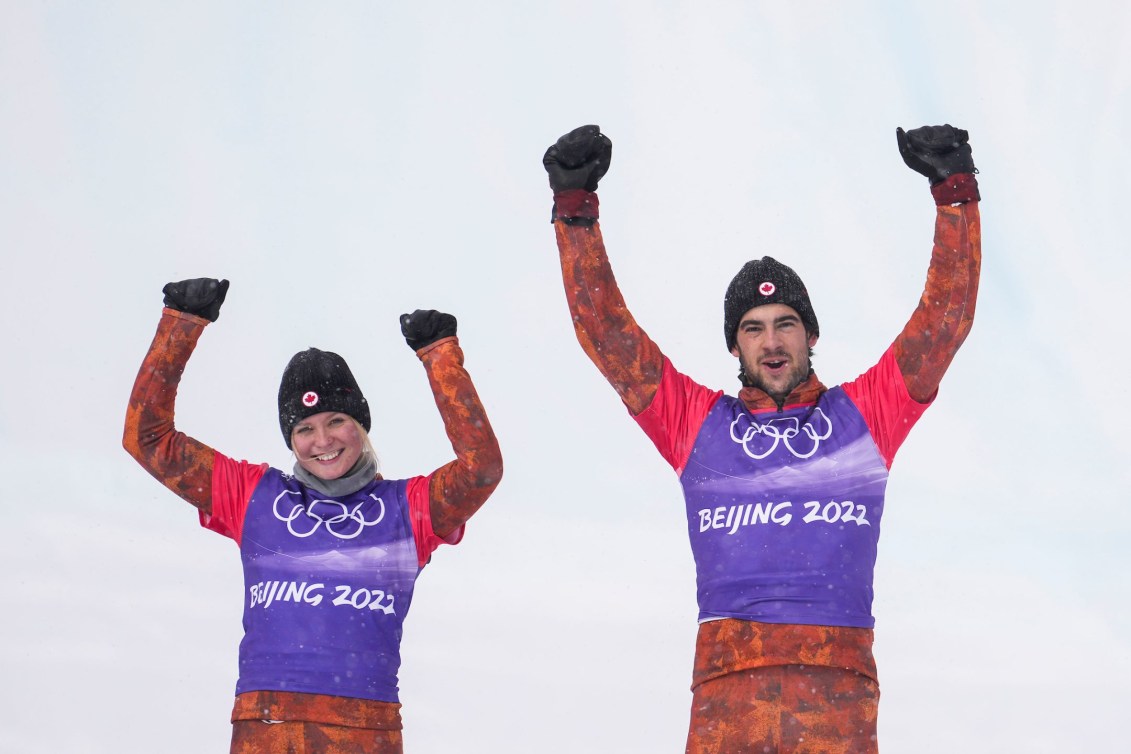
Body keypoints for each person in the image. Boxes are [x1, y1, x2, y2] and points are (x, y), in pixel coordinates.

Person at [543, 124, 980, 753]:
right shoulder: (696, 424)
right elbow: (609, 339)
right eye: (753, 329)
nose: (771, 343)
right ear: (735, 345)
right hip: (729, 694)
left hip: (837, 694)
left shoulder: (867, 416)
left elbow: (943, 324)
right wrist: (575, 213)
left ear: (811, 336)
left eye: (786, 324)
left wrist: (955, 195)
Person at [123, 279, 503, 754]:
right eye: (304, 428)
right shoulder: (251, 496)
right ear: (291, 439)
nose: (322, 441)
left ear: (360, 425)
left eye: (337, 421)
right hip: (266, 725)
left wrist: (440, 357)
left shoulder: (410, 510)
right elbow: (148, 440)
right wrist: (181, 323)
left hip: (365, 729)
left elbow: (481, 469)